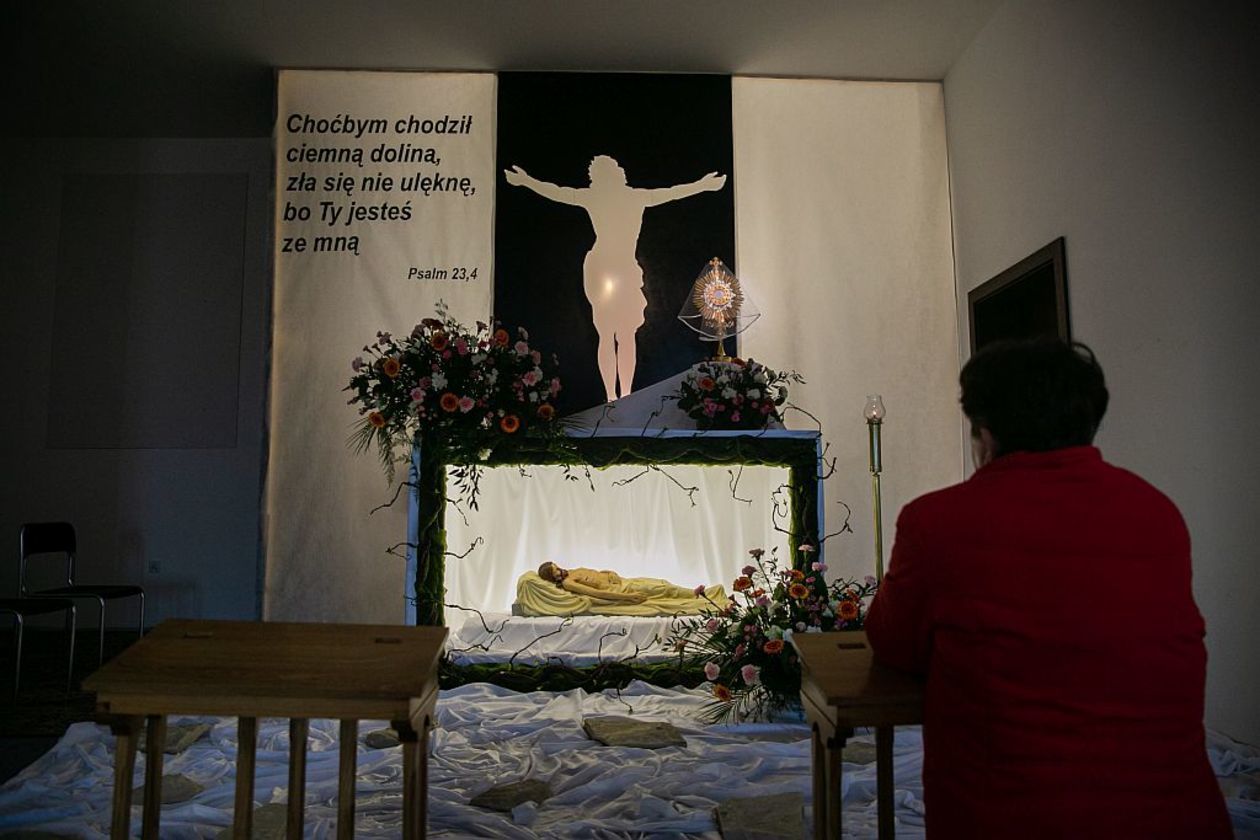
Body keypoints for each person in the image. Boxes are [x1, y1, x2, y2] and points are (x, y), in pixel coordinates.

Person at [864, 338, 1230, 838]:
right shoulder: (1157, 512)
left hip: (1016, 817)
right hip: (1178, 817)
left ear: (984, 433)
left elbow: (893, 642)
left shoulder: (938, 522)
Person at [504, 156, 727, 402]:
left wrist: (702, 185)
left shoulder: (616, 196)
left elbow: (558, 192)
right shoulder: (624, 197)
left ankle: (622, 396)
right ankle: (614, 396)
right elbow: (558, 192)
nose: (621, 170)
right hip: (605, 269)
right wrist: (526, 181)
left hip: (617, 269)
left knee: (619, 334)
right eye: (617, 168)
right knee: (613, 334)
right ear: (612, 174)